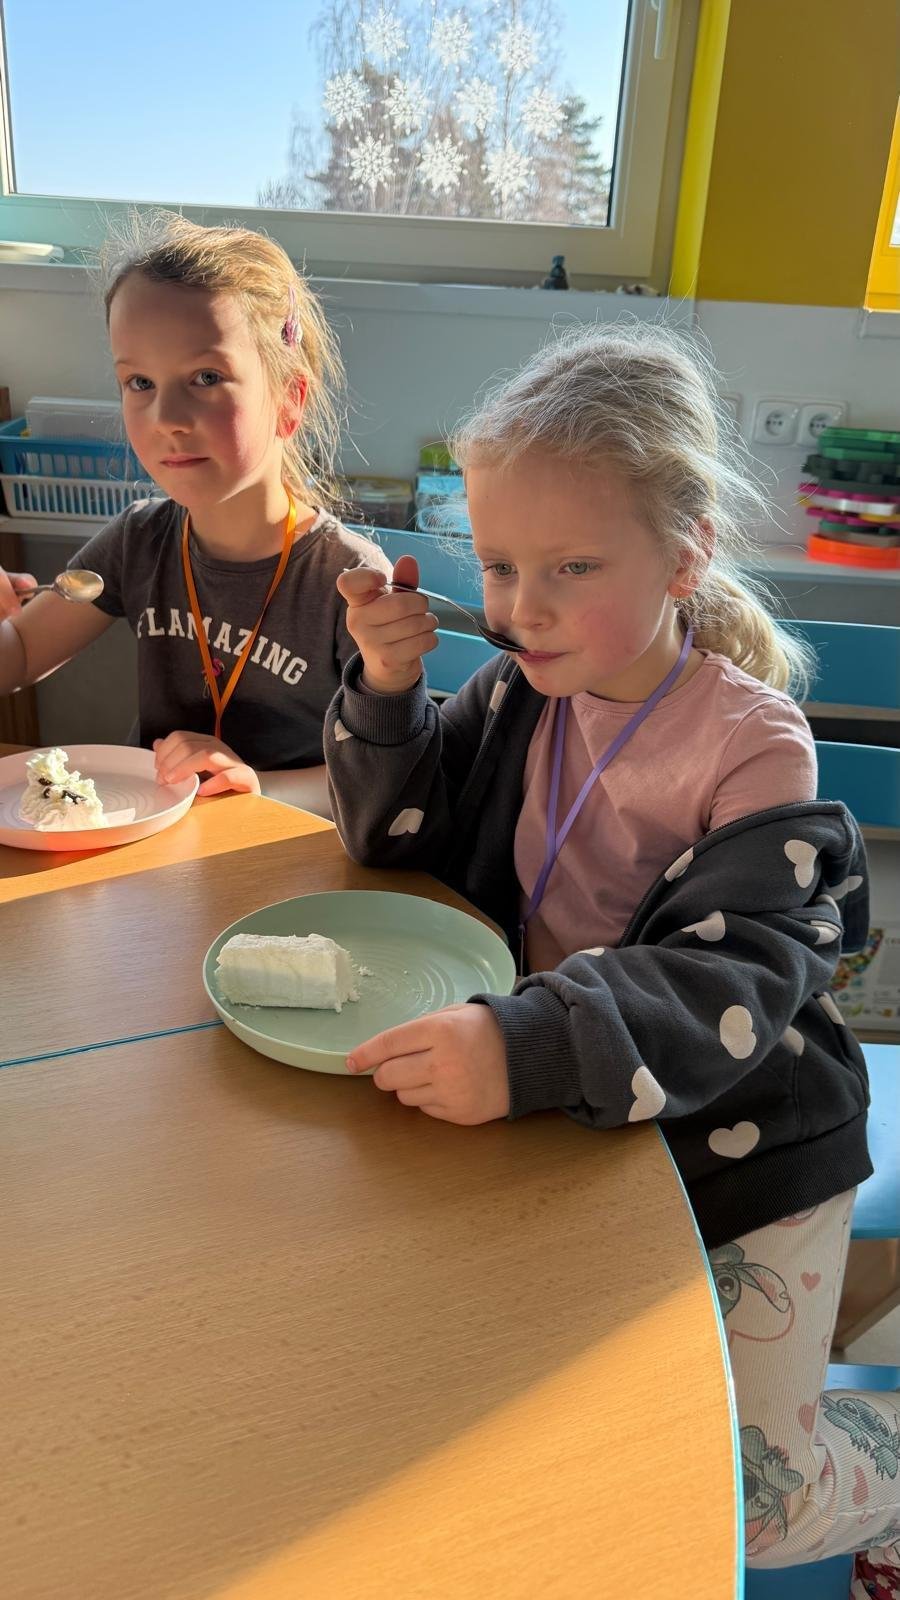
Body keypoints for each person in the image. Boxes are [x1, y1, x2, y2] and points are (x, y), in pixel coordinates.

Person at [325, 323, 899, 1592]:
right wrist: (385, 689)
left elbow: (730, 979)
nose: (518, 608)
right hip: (570, 1091)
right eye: (499, 564)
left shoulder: (756, 746)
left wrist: (522, 1041)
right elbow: (394, 838)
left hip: (745, 1128)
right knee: (498, 1396)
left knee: (746, 1508)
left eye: (571, 567)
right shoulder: (518, 690)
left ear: (686, 554)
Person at [0, 212, 390, 815]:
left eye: (206, 377)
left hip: (283, 847)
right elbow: (21, 653)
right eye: (139, 383)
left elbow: (380, 776)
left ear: (289, 400)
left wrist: (256, 785)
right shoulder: (138, 540)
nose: (166, 418)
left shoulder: (350, 580)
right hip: (155, 846)